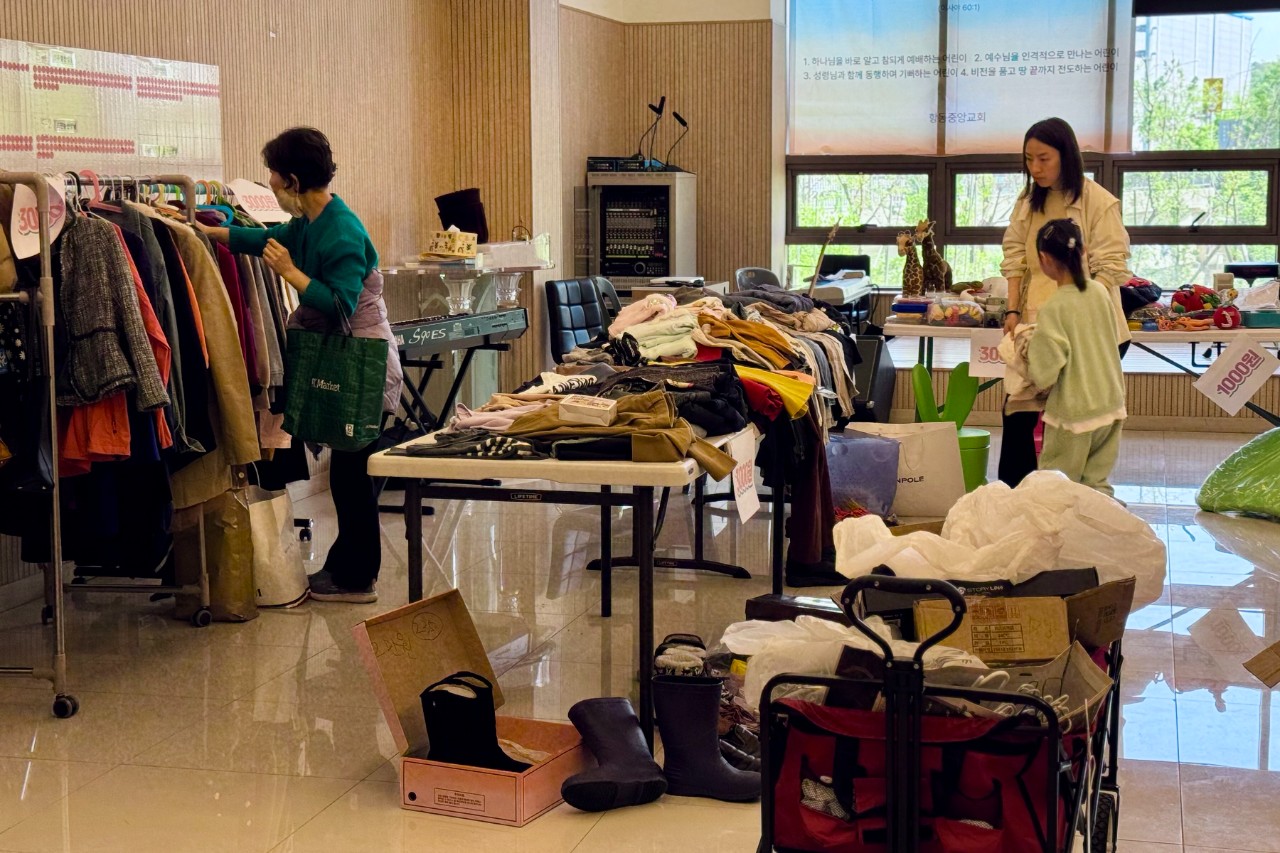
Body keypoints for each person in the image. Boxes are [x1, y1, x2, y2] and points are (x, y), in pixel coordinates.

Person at [199, 127, 402, 603]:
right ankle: (346, 569)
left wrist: (289, 272)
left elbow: (340, 304)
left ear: (292, 180)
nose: (271, 186)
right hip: (349, 358)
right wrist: (207, 232)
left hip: (364, 365)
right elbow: (269, 239)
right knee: (348, 475)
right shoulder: (312, 220)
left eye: (273, 178)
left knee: (352, 477)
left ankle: (358, 578)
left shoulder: (342, 229)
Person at [998, 117, 1132, 487]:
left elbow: (1112, 266)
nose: (1035, 168)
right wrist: (1012, 310)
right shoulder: (1028, 202)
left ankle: (1068, 497)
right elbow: (1014, 256)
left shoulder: (1097, 201)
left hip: (1091, 330)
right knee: (1018, 415)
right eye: (1029, 159)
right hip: (1037, 321)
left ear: (1066, 156)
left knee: (1075, 425)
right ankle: (1018, 497)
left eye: (1044, 159)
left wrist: (1078, 311)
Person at [1025, 219, 1127, 497]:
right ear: (1084, 251)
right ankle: (1101, 523)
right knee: (1096, 487)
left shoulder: (1054, 308)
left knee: (1055, 489)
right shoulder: (1099, 292)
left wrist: (1025, 349)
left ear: (1044, 259)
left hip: (1074, 412)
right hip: (1111, 402)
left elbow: (1045, 371)